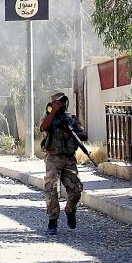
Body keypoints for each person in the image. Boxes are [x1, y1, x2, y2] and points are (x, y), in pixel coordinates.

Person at [39, 91, 87, 235]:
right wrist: (53, 112)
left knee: (76, 190)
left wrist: (72, 135)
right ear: (52, 103)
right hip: (53, 158)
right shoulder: (47, 117)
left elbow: (84, 135)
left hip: (69, 159)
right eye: (58, 102)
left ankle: (70, 210)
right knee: (52, 189)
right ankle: (52, 221)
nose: (62, 104)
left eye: (63, 102)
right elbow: (44, 127)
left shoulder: (71, 118)